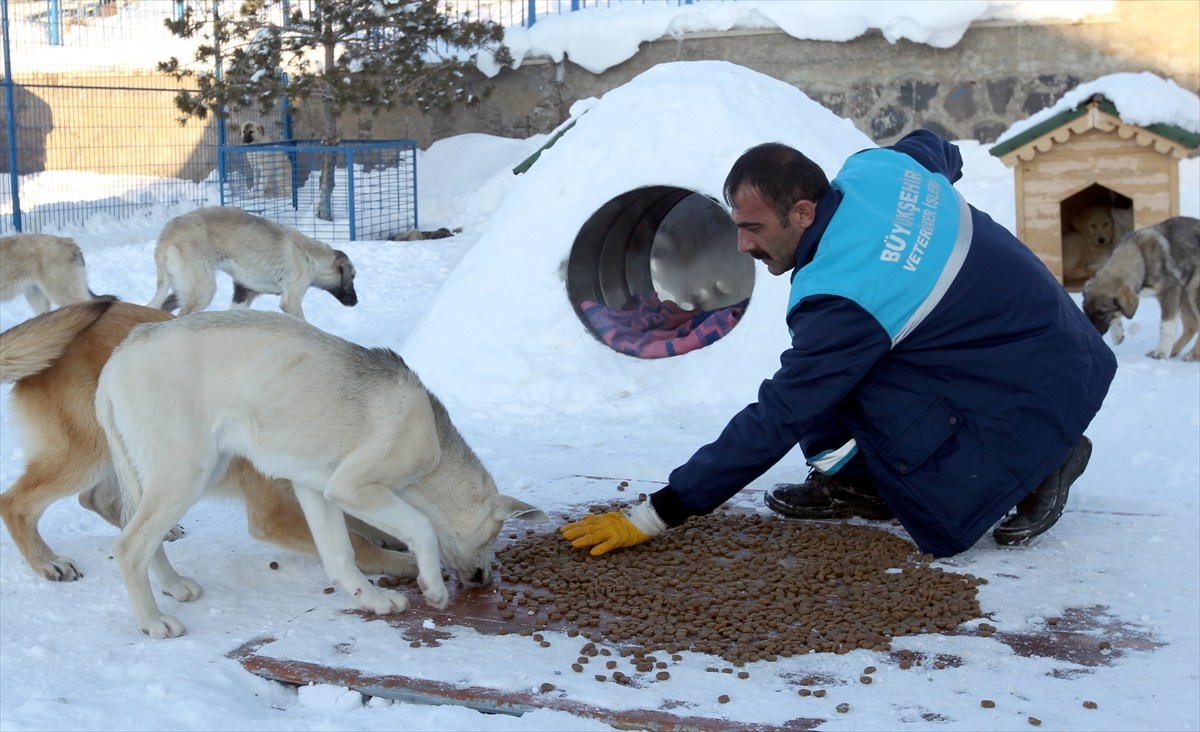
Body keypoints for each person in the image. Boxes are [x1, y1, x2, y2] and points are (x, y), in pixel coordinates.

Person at [561, 129, 1117, 559]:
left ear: (803, 213)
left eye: (753, 227)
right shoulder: (880, 170)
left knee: (840, 393)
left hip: (1027, 374)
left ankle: (1046, 459)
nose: (741, 244)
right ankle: (864, 485)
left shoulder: (845, 297)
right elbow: (939, 149)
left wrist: (657, 514)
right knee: (846, 378)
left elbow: (778, 415)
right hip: (1055, 342)